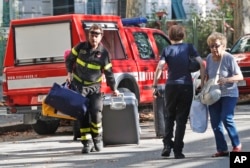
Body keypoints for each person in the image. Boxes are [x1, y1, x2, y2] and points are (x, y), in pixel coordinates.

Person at [65, 24, 119, 154]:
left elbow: (109, 73)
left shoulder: (104, 53)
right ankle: (87, 143)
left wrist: (114, 88)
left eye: (96, 35)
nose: (94, 38)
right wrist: (69, 73)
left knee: (95, 114)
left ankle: (97, 139)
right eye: (92, 34)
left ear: (101, 37)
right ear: (88, 35)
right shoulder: (80, 47)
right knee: (82, 114)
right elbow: (69, 59)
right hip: (79, 86)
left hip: (94, 88)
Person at [153, 25, 205, 159]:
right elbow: (201, 63)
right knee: (181, 119)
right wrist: (203, 83)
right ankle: (178, 150)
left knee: (169, 116)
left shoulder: (167, 50)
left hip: (171, 86)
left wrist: (155, 84)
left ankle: (166, 145)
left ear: (169, 36)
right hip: (186, 86)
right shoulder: (189, 47)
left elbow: (160, 66)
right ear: (183, 35)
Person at [203, 32, 243, 157]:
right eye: (211, 46)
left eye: (216, 45)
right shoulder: (209, 58)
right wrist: (203, 83)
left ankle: (236, 144)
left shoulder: (228, 58)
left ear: (223, 46)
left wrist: (227, 80)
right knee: (215, 122)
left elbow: (240, 76)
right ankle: (222, 149)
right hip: (213, 94)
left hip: (229, 93)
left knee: (226, 117)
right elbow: (207, 74)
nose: (214, 48)